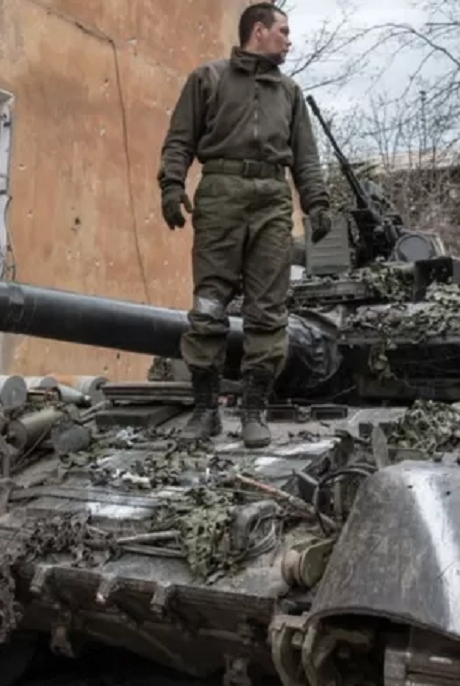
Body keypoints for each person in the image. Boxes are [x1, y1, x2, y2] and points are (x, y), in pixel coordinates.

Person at [157, 3, 332, 448]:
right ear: (259, 30)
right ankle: (205, 411)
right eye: (283, 31)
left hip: (272, 198)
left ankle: (254, 411)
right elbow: (180, 139)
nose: (289, 40)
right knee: (209, 305)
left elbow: (306, 157)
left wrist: (316, 202)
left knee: (268, 309)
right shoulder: (208, 78)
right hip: (220, 192)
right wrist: (172, 186)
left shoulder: (289, 92)